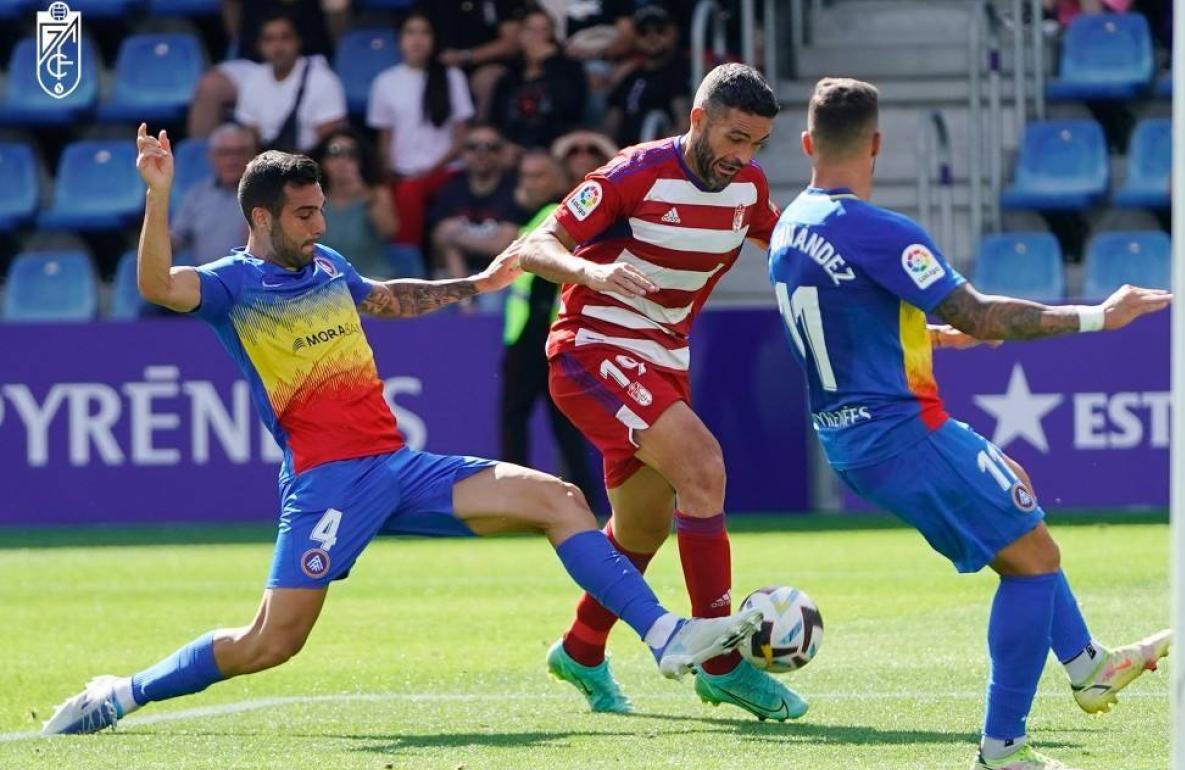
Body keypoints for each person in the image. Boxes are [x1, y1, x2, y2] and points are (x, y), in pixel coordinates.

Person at [38, 124, 765, 736]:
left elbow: (388, 300)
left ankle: (665, 635)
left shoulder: (327, 264)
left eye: (320, 210)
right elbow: (159, 287)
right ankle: (122, 694)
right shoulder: (232, 284)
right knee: (271, 643)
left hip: (397, 466)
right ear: (259, 219)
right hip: (328, 483)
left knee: (560, 498)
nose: (320, 225)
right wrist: (158, 195)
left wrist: (478, 285)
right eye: (303, 215)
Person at [768, 78, 1172, 770]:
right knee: (1034, 562)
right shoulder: (879, 231)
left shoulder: (789, 225)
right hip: (901, 433)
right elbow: (982, 314)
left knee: (1016, 501)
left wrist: (923, 338)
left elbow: (844, 316)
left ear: (806, 144)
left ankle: (1087, 664)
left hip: (850, 435)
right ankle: (1003, 749)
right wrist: (1103, 314)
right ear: (876, 145)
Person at [513, 63, 807, 720]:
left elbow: (791, 250)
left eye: (755, 143)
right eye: (734, 137)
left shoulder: (749, 189)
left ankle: (581, 648)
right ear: (698, 119)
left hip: (663, 362)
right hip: (592, 348)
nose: (743, 156)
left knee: (643, 526)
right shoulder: (633, 173)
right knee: (703, 467)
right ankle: (723, 664)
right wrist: (591, 268)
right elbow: (536, 247)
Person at [501, 150, 597, 508]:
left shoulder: (554, 215)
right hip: (529, 333)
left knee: (527, 421)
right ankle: (584, 501)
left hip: (544, 334)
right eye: (525, 176)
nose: (529, 183)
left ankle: (516, 500)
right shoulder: (531, 215)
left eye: (538, 175)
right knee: (558, 424)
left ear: (556, 180)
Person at [367, 11, 475, 249]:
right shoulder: (384, 82)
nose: (417, 39)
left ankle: (408, 263)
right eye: (410, 32)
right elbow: (385, 138)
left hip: (445, 170)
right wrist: (386, 173)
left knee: (409, 192)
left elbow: (461, 137)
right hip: (401, 172)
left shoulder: (451, 76)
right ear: (399, 39)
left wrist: (429, 169)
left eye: (424, 32)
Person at [233, 12, 348, 153]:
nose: (278, 46)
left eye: (285, 38)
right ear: (259, 46)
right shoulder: (252, 81)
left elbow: (329, 142)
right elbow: (250, 139)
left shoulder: (324, 81)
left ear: (298, 41)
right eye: (269, 39)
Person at [428, 124, 524, 282]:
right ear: (462, 152)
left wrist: (457, 237)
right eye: (473, 147)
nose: (482, 153)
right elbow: (440, 239)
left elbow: (504, 246)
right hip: (456, 275)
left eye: (491, 147)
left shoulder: (515, 191)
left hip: (501, 275)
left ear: (503, 152)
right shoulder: (450, 190)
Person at [487, 8, 588, 149]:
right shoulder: (510, 74)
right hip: (512, 148)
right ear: (520, 35)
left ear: (552, 36)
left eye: (544, 30)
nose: (537, 37)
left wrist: (549, 62)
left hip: (554, 145)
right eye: (531, 30)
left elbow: (570, 110)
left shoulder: (569, 69)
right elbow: (496, 118)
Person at [311, 129, 398, 279]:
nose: (343, 161)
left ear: (361, 161)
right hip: (324, 285)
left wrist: (365, 195)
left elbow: (388, 231)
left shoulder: (376, 193)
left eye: (352, 154)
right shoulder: (311, 199)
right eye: (335, 153)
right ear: (323, 161)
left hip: (371, 283)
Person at [604, 5, 691, 148]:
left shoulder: (682, 71)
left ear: (673, 32)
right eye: (643, 32)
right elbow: (611, 124)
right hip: (626, 157)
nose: (652, 37)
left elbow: (683, 123)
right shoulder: (629, 77)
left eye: (660, 30)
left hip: (660, 156)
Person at [171, 122, 255, 265]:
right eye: (224, 153)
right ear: (212, 157)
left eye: (240, 152)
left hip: (258, 281)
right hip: (206, 282)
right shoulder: (196, 196)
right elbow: (175, 240)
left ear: (252, 156)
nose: (232, 161)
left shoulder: (270, 195)